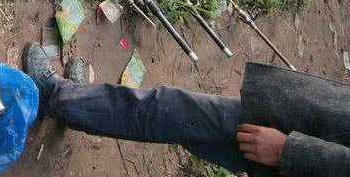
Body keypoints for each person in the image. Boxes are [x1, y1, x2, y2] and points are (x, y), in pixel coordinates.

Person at [22, 42, 350, 177]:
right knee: (177, 124)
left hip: (301, 145)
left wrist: (290, 151)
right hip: (319, 132)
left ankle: (54, 94)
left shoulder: (290, 148)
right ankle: (74, 104)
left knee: (166, 109)